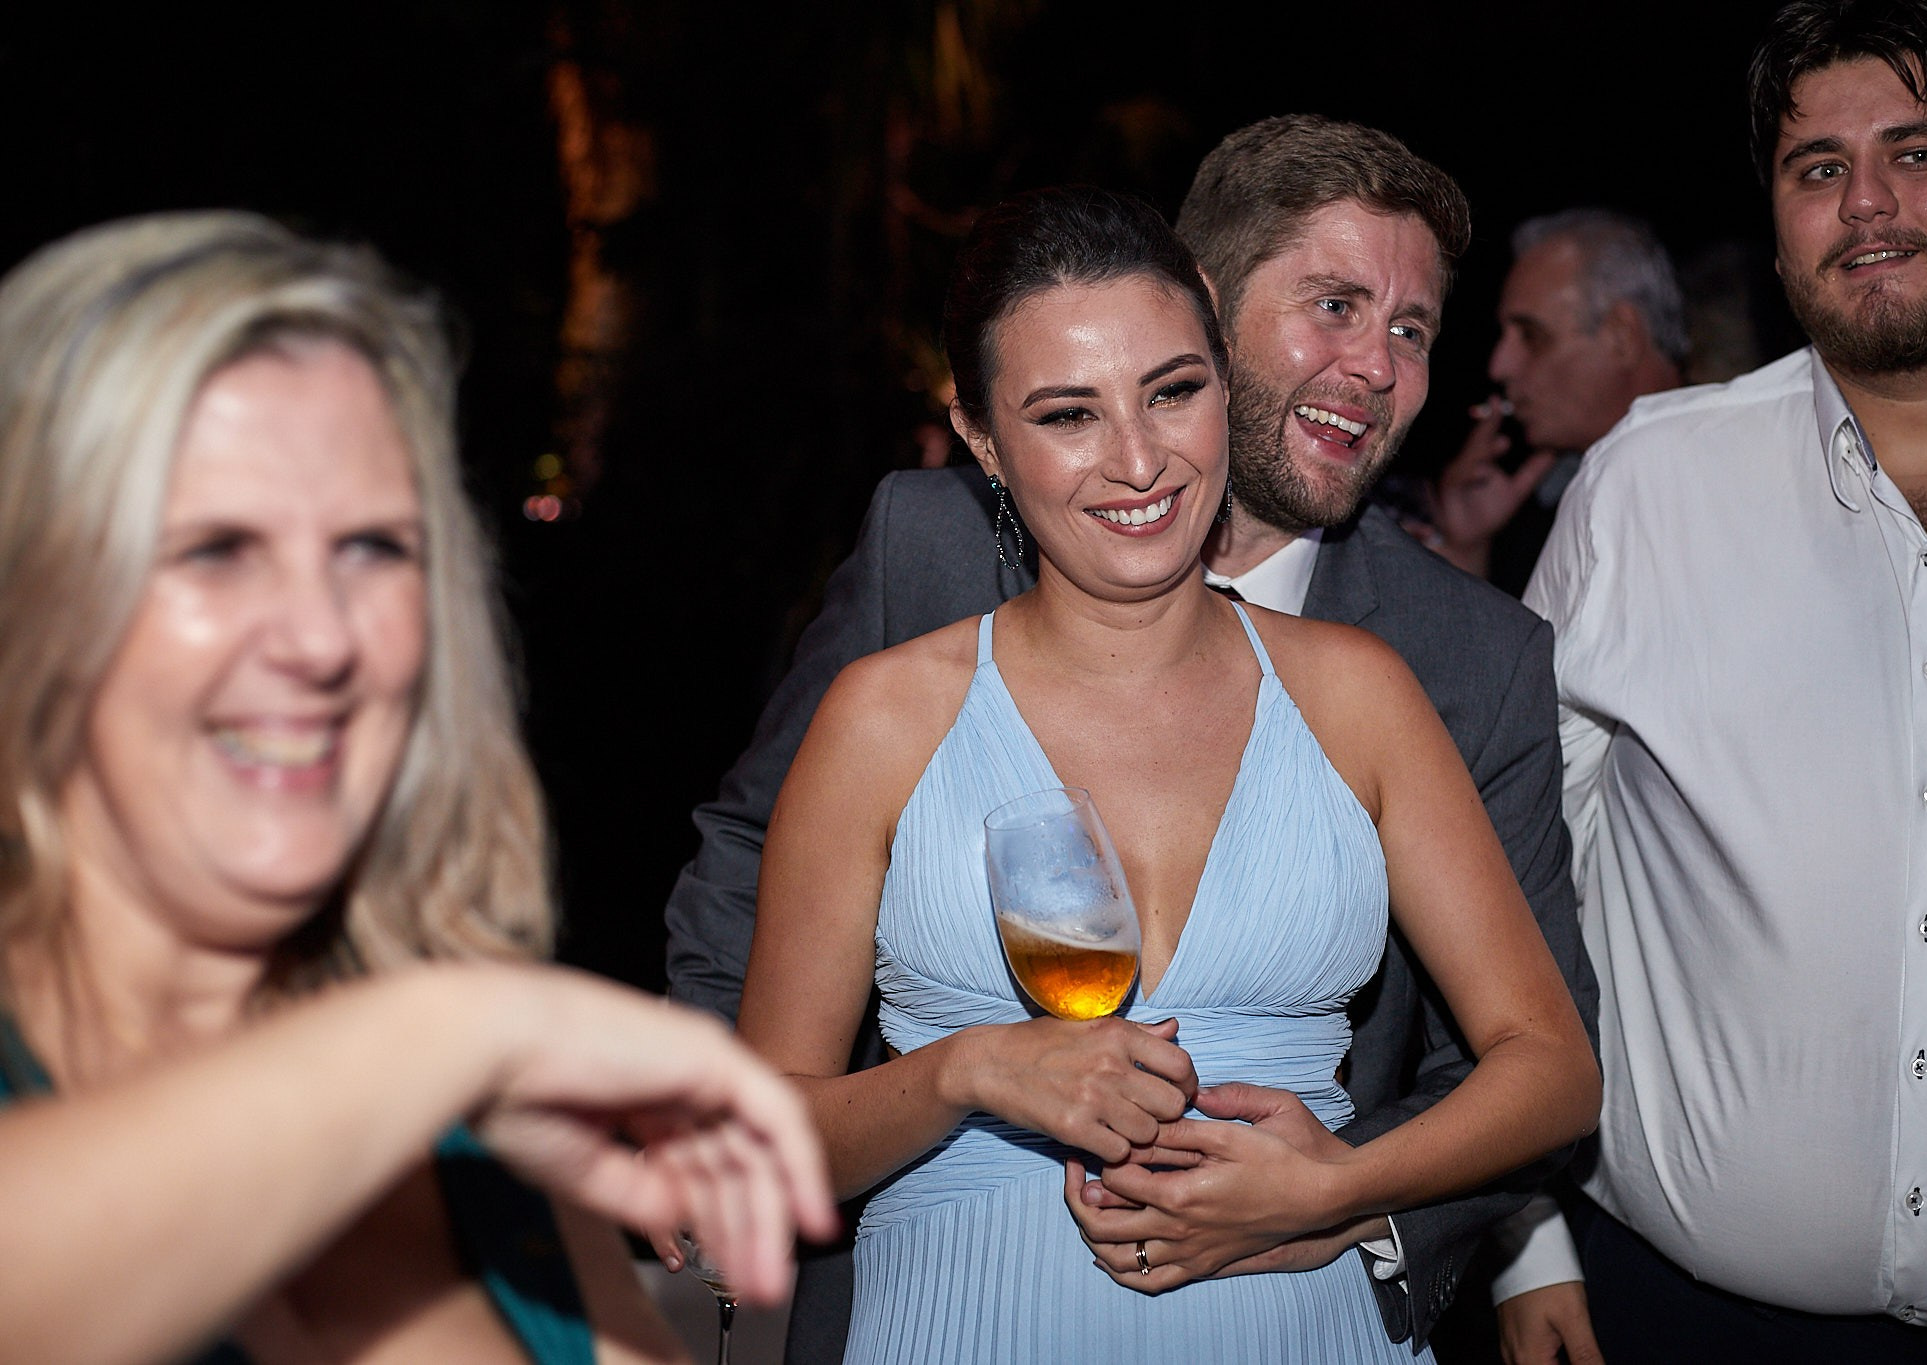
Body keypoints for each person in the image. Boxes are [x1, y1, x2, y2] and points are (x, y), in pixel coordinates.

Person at [663, 113, 1601, 1362]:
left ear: (1219, 376)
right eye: (1066, 415)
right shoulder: (886, 711)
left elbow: (1548, 1065)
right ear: (985, 444)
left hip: (1302, 1324)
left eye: (1172, 391)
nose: (1139, 460)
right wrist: (968, 1073)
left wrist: (1332, 1193)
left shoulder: (1365, 690)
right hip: (959, 1319)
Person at [0, 210, 837, 1364]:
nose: (319, 639)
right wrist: (454, 1032)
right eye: (213, 550)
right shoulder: (463, 1052)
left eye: (371, 549)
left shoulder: (493, 1147)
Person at [1500, 0, 1927, 1360]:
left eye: (1918, 153)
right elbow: (1502, 868)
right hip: (1668, 1314)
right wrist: (1520, 1233)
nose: (1866, 204)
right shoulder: (1651, 486)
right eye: (1818, 169)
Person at [1420, 208, 1688, 594]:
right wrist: (1466, 550)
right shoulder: (1533, 511)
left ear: (1621, 336)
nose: (1499, 366)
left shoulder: (1736, 476)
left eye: (1531, 336)